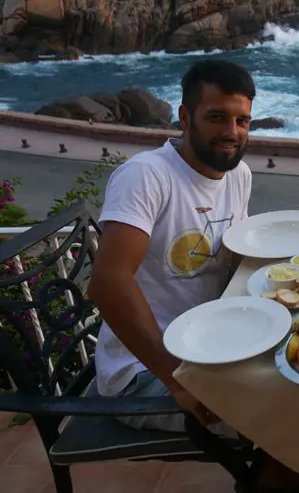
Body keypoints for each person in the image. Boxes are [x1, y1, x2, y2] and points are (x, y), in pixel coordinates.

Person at [88, 59, 255, 434]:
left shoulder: (238, 174)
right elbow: (107, 283)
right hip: (144, 372)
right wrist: (178, 381)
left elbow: (233, 257)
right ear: (184, 116)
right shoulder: (147, 176)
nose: (232, 132)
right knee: (283, 418)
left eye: (242, 121)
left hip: (210, 347)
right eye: (217, 117)